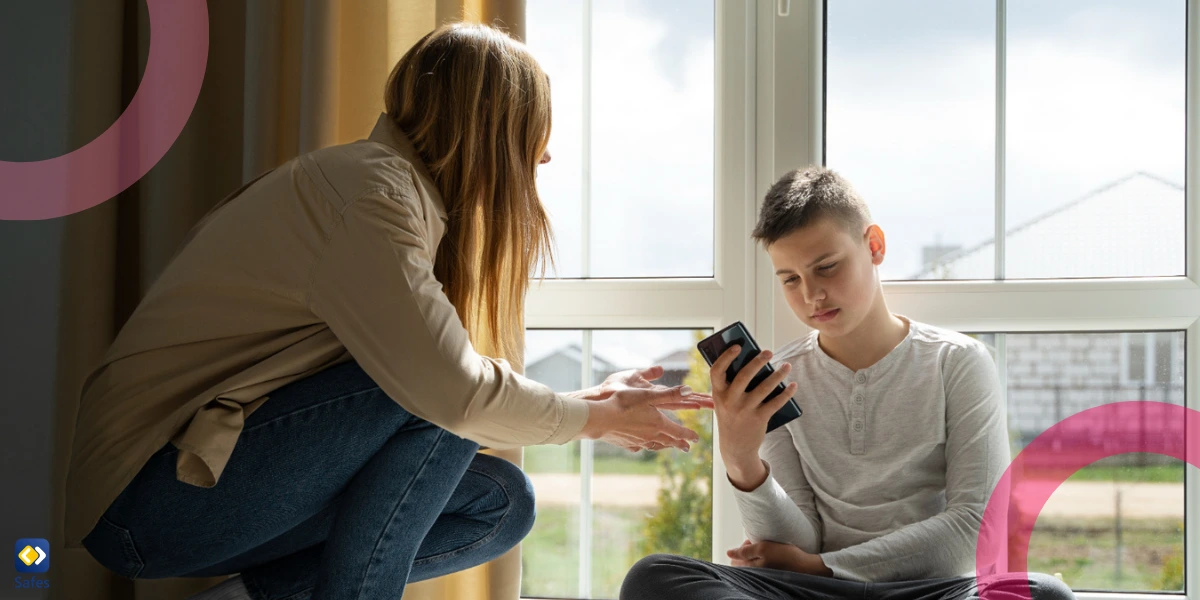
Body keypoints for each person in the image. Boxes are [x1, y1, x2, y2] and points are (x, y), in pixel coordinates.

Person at [67, 23, 711, 600]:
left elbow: (435, 409)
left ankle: (251, 597)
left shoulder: (388, 195)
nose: (541, 161)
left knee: (500, 503)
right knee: (443, 390)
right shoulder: (370, 197)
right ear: (492, 131)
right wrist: (594, 419)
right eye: (531, 143)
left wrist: (590, 403)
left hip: (206, 490)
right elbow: (447, 392)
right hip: (149, 504)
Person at [620, 166, 1076, 600]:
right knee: (654, 577)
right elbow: (794, 544)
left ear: (874, 245)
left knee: (1045, 594)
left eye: (827, 267)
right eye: (790, 279)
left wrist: (822, 568)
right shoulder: (780, 377)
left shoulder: (958, 362)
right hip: (813, 589)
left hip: (925, 588)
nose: (811, 295)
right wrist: (742, 461)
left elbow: (976, 528)